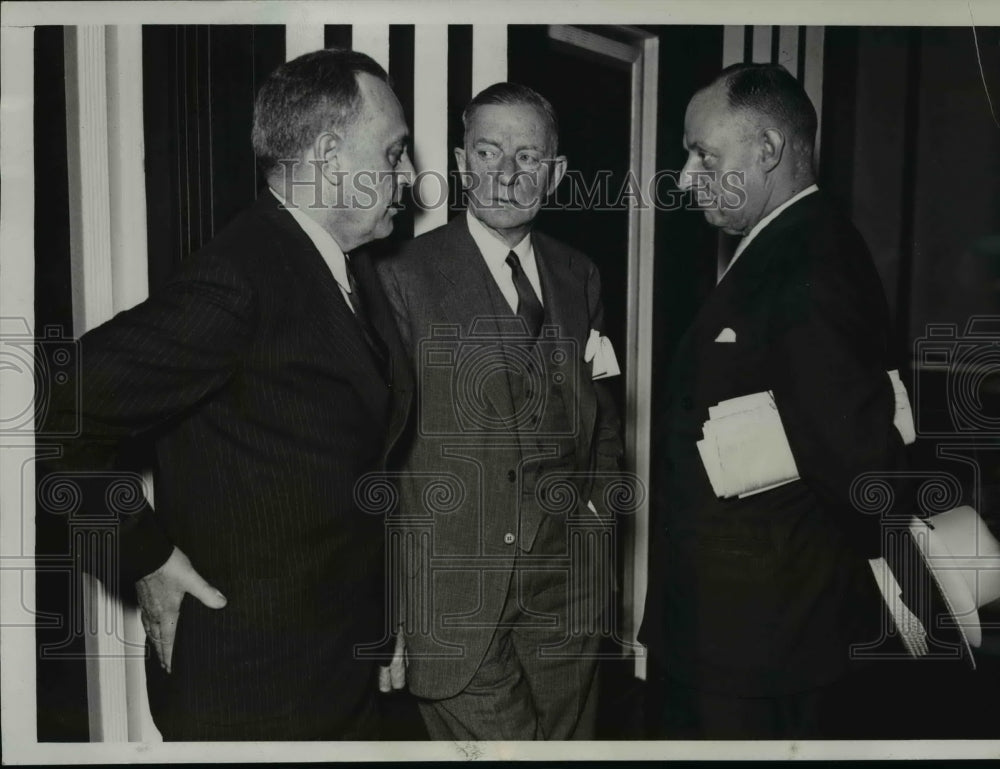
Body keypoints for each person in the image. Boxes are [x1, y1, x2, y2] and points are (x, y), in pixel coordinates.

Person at [41, 49, 415, 740]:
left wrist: (381, 620)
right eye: (394, 153)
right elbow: (55, 411)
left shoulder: (348, 269)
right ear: (329, 155)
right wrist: (145, 556)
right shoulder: (241, 275)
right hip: (255, 694)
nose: (411, 175)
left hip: (337, 670)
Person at [639, 63, 910, 739]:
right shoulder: (787, 246)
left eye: (704, 155)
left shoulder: (810, 260)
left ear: (767, 149)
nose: (686, 176)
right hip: (741, 634)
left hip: (761, 648)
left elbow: (861, 469)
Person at [376, 82, 624, 740]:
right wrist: (389, 605)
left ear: (555, 174)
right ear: (462, 164)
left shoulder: (579, 275)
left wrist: (596, 518)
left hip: (567, 596)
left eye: (527, 157)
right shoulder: (402, 274)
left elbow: (602, 418)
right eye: (487, 152)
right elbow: (379, 451)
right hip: (455, 598)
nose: (506, 174)